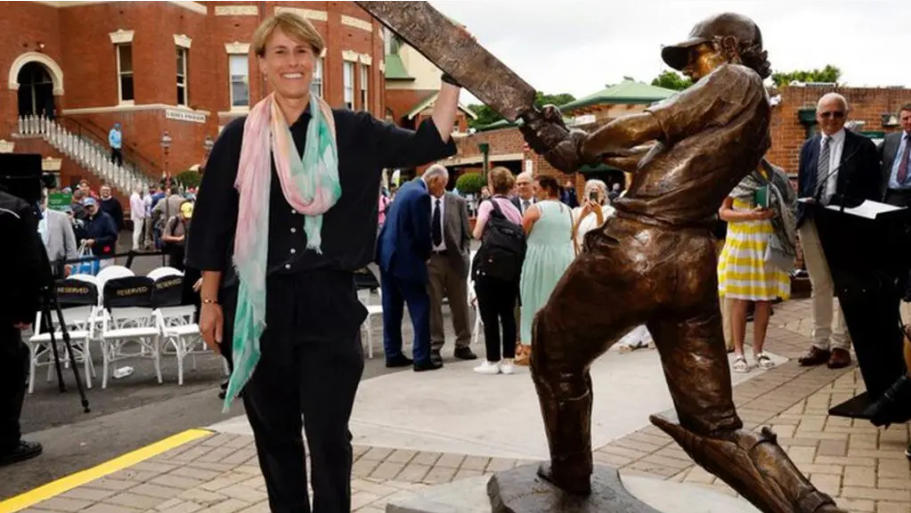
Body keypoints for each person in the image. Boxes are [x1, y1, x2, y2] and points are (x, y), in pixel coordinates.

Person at [520, 13, 845, 512]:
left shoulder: (735, 79)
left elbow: (646, 124)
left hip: (637, 248)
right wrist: (564, 140)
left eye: (696, 57)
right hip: (687, 262)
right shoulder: (748, 118)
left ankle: (570, 470)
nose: (692, 71)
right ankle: (808, 507)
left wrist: (578, 148)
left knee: (552, 349)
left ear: (728, 47)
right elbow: (652, 155)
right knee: (712, 423)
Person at [186, 12, 459, 513]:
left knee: (330, 438)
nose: (292, 62)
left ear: (315, 61)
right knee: (276, 438)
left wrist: (451, 76)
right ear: (263, 63)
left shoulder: (352, 131)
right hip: (256, 306)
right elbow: (213, 226)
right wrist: (209, 301)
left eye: (302, 52)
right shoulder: (239, 138)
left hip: (329, 306)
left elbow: (428, 143)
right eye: (280, 52)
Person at [795, 93, 881, 369]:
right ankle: (820, 343)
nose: (831, 119)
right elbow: (804, 184)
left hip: (847, 224)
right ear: (818, 116)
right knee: (819, 284)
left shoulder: (862, 147)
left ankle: (841, 345)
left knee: (846, 284)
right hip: (812, 221)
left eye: (837, 114)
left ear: (846, 115)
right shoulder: (808, 147)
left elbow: (873, 190)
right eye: (825, 114)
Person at [717, 160, 796, 373]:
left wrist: (777, 211)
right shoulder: (734, 173)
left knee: (764, 300)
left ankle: (759, 351)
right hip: (742, 242)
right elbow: (723, 212)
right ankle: (740, 353)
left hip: (768, 241)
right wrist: (750, 215)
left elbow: (790, 204)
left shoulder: (776, 174)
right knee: (740, 299)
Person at [377, 170, 450, 372]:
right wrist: (426, 255)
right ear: (434, 180)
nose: (441, 191)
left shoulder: (405, 189)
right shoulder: (420, 196)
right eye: (442, 185)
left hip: (387, 256)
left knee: (392, 308)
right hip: (406, 260)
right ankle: (422, 357)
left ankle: (392, 353)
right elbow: (421, 232)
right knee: (420, 306)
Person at [0, 188, 45, 466]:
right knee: (8, 371)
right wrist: (26, 308)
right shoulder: (14, 209)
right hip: (4, 310)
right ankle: (6, 442)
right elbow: (30, 264)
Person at [516, 175, 574, 366]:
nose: (534, 191)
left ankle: (530, 348)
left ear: (546, 189)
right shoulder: (568, 210)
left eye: (536, 188)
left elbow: (520, 233)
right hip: (563, 259)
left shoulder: (535, 209)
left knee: (532, 300)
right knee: (558, 303)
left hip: (538, 259)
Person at [471, 167, 523, 375]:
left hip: (489, 267)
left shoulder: (487, 204)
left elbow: (477, 233)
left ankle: (492, 360)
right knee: (508, 314)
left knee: (489, 314)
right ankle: (508, 361)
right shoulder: (514, 209)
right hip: (510, 269)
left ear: (492, 185)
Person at [424, 165, 476, 364]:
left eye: (433, 181)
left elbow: (466, 233)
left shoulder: (458, 202)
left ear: (442, 182)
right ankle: (435, 345)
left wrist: (464, 253)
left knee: (460, 304)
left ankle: (463, 344)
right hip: (432, 259)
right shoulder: (422, 201)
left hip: (454, 259)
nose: (430, 184)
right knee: (433, 305)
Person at [879, 104, 911, 300]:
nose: (909, 122)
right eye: (905, 118)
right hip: (891, 198)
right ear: (900, 120)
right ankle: (893, 288)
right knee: (890, 244)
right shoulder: (890, 140)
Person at [38, 188, 78, 276]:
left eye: (44, 198)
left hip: (57, 266)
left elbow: (70, 242)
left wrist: (70, 264)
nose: (41, 201)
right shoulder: (27, 216)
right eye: (40, 198)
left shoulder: (61, 217)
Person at [571, 179, 613, 253]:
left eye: (598, 192)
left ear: (603, 196)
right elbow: (570, 236)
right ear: (585, 196)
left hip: (597, 254)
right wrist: (581, 216)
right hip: (578, 254)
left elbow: (603, 237)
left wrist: (599, 214)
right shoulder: (576, 211)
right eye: (590, 191)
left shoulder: (609, 211)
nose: (593, 194)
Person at [81, 197, 118, 268]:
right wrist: (83, 239)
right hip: (91, 254)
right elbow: (84, 233)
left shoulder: (106, 218)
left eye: (91, 206)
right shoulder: (85, 220)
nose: (90, 209)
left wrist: (95, 241)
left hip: (105, 254)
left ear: (97, 205)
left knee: (104, 275)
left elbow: (113, 236)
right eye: (87, 207)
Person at [161, 200, 193, 271]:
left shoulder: (191, 220)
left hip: (187, 250)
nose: (187, 219)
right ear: (181, 212)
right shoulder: (174, 220)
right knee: (175, 271)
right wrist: (178, 239)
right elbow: (164, 237)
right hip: (176, 250)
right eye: (185, 216)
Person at [129, 185, 147, 251]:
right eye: (140, 188)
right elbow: (136, 208)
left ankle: (136, 246)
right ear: (137, 189)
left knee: (137, 231)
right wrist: (140, 215)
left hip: (138, 216)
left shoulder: (136, 196)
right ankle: (135, 246)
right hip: (138, 217)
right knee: (137, 231)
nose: (141, 190)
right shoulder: (135, 197)